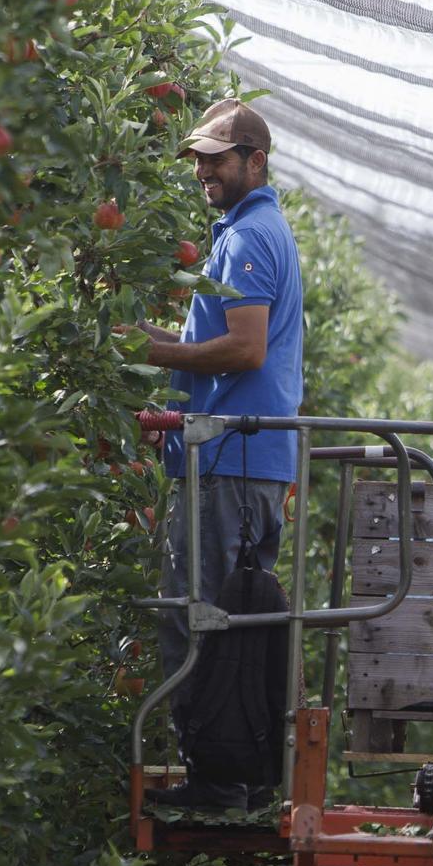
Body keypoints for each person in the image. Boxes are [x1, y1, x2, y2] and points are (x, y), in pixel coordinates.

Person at [138, 98, 304, 810]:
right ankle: (237, 774)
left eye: (217, 158)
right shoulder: (256, 232)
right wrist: (168, 372)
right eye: (200, 159)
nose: (204, 170)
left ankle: (216, 778)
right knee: (231, 617)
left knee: (197, 612)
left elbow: (245, 347)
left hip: (231, 461)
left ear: (254, 161)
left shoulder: (247, 238)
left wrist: (162, 352)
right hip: (247, 460)